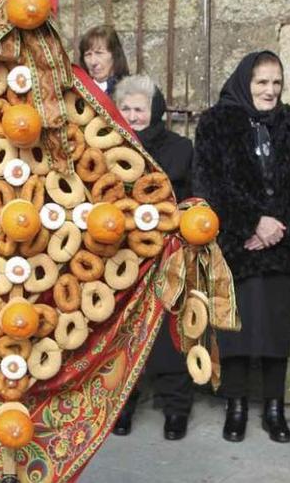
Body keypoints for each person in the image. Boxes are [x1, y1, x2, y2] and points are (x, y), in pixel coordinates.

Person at [193, 51, 290, 445]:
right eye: (262, 82)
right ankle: (237, 405)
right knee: (237, 329)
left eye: (276, 82)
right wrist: (252, 223)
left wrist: (279, 228)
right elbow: (211, 184)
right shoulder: (215, 123)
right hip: (237, 243)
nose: (270, 90)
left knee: (275, 330)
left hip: (277, 244)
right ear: (246, 82)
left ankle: (275, 407)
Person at [111, 75, 194, 441]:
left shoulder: (180, 149)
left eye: (139, 109)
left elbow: (194, 199)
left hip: (166, 252)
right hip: (121, 254)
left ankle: (176, 408)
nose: (133, 115)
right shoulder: (108, 149)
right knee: (122, 335)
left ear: (154, 110)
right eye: (126, 108)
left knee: (168, 335)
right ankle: (122, 404)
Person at [78, 25, 128, 97]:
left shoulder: (130, 91)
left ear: (114, 55)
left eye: (99, 53)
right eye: (88, 54)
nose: (93, 62)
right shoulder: (78, 93)